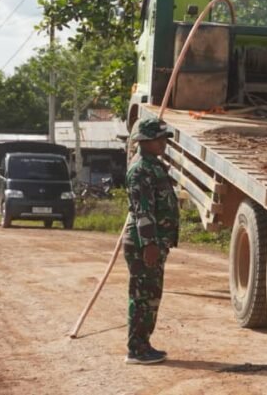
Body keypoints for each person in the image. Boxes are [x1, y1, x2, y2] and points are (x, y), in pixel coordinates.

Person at [123, 118, 179, 365]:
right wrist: (149, 245)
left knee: (151, 297)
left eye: (164, 138)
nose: (163, 143)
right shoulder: (141, 170)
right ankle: (136, 350)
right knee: (142, 297)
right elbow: (143, 210)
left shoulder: (154, 165)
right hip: (143, 243)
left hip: (154, 242)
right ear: (145, 141)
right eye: (159, 139)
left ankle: (143, 344)